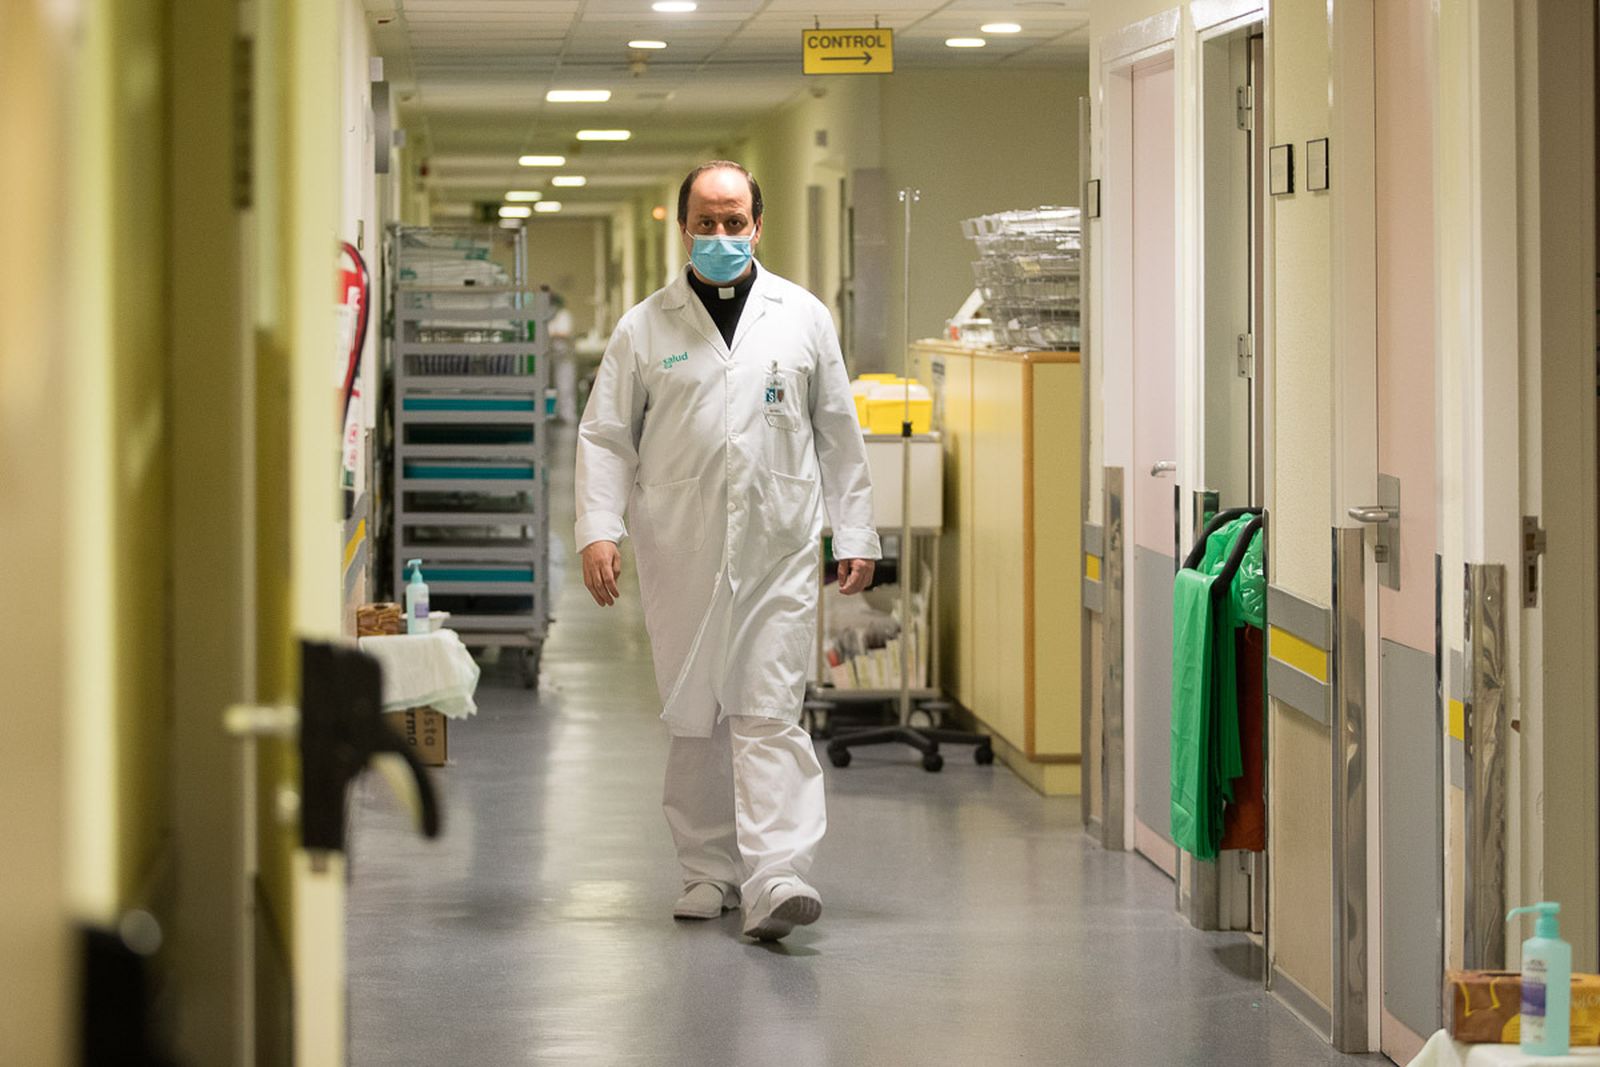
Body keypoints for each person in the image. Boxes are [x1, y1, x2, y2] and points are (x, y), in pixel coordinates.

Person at [574, 160, 879, 941]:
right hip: (680, 547)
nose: (718, 235)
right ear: (683, 227)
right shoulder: (645, 327)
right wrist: (597, 528)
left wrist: (855, 531)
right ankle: (707, 869)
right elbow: (606, 435)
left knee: (770, 704)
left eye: (732, 221)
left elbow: (838, 432)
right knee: (694, 710)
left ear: (757, 225)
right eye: (704, 222)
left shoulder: (802, 317)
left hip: (778, 544)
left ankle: (777, 873)